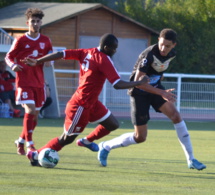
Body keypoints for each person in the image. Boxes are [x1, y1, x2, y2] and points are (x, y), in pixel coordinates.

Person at [78, 29, 206, 170]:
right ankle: (106, 146)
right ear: (158, 40)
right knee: (140, 137)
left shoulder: (172, 55)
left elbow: (159, 70)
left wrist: (159, 85)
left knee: (176, 116)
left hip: (156, 89)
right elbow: (139, 82)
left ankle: (191, 159)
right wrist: (161, 92)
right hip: (139, 92)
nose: (164, 49)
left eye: (168, 46)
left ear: (174, 45)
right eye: (162, 44)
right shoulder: (148, 55)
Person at [23, 33, 149, 166]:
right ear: (106, 47)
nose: (115, 51)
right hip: (80, 105)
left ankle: (86, 141)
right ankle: (36, 154)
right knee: (66, 139)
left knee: (112, 124)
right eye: (113, 48)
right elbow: (117, 84)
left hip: (92, 103)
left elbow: (61, 54)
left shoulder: (85, 52)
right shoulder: (104, 60)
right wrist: (139, 82)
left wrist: (38, 61)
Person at [5, 8, 53, 155]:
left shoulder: (45, 41)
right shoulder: (20, 40)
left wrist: (50, 60)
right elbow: (8, 57)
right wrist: (13, 65)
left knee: (35, 117)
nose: (35, 23)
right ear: (27, 23)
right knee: (31, 110)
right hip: (24, 82)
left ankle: (20, 140)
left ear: (41, 23)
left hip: (39, 83)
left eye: (38, 21)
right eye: (33, 21)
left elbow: (51, 55)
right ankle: (29, 144)